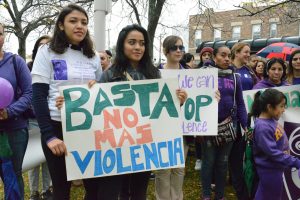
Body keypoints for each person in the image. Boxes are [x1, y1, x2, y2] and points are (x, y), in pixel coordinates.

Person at [96, 25, 187, 200]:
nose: (138, 47)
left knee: (140, 190)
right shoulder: (109, 75)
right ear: (122, 45)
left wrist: (178, 102)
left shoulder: (153, 73)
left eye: (142, 43)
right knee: (121, 190)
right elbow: (96, 109)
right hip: (119, 144)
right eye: (132, 42)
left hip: (145, 144)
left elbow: (161, 111)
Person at [31, 4, 102, 199]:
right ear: (61, 25)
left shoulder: (93, 56)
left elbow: (100, 94)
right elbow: (38, 96)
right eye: (73, 21)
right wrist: (49, 136)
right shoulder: (47, 51)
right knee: (62, 190)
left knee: (94, 188)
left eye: (84, 22)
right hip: (57, 128)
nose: (80, 26)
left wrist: (97, 87)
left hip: (88, 129)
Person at [201, 45, 248, 200]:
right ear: (214, 57)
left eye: (229, 55)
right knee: (208, 162)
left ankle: (220, 196)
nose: (227, 59)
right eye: (223, 55)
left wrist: (245, 125)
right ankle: (206, 195)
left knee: (222, 162)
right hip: (208, 126)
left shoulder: (235, 77)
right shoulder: (203, 75)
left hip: (230, 126)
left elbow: (240, 103)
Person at [0, 22, 32, 200]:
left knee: (13, 173)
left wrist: (10, 111)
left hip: (14, 129)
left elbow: (29, 93)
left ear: (4, 37)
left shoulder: (15, 61)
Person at [156, 35, 190, 200]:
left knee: (179, 168)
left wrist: (213, 96)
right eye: (174, 47)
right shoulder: (155, 73)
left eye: (181, 48)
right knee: (163, 169)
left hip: (183, 129)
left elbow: (200, 99)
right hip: (161, 129)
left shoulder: (191, 75)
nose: (178, 51)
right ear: (165, 51)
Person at [251, 88, 300, 200]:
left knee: (264, 195)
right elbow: (274, 154)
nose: (284, 110)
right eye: (281, 106)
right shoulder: (263, 128)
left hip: (275, 170)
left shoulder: (271, 120)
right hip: (269, 172)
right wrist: (296, 162)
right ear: (269, 107)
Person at [229, 42, 257, 200]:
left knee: (248, 156)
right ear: (237, 53)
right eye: (245, 52)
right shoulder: (230, 70)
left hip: (249, 119)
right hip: (234, 121)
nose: (248, 55)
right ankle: (241, 193)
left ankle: (249, 188)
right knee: (235, 160)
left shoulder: (249, 71)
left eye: (249, 52)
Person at [27, 35, 53, 200]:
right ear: (36, 50)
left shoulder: (55, 67)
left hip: (50, 117)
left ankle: (47, 189)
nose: (44, 49)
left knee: (47, 157)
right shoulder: (28, 68)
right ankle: (34, 192)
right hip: (32, 119)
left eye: (47, 46)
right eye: (41, 46)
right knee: (34, 158)